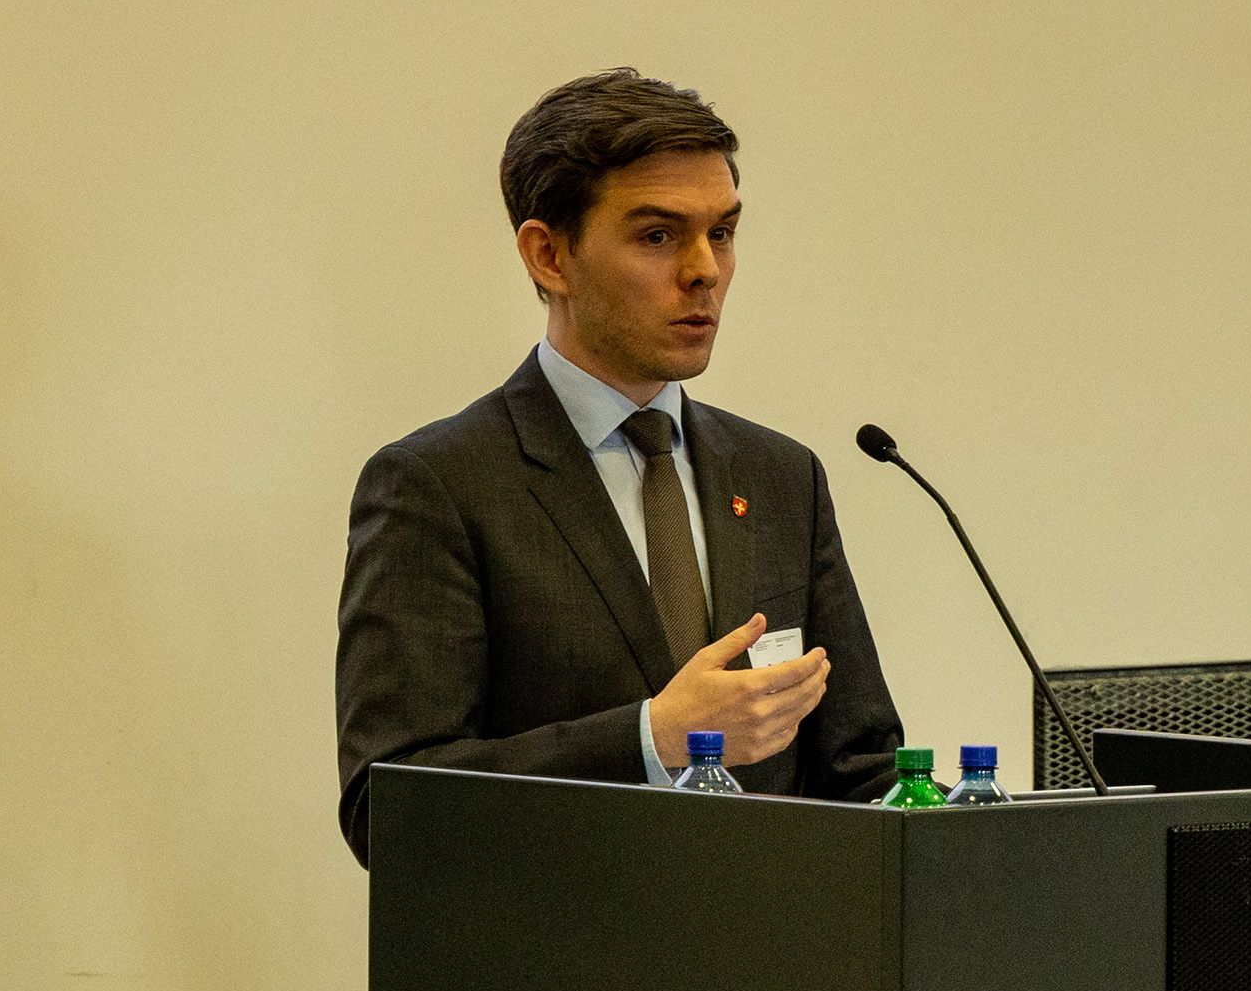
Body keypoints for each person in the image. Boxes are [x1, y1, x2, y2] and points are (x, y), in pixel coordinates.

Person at [334, 68, 903, 867]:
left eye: (724, 232)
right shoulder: (439, 487)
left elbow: (861, 770)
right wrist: (652, 738)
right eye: (659, 235)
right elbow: (388, 803)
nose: (704, 269)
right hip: (559, 972)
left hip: (771, 973)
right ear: (549, 256)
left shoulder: (781, 477)